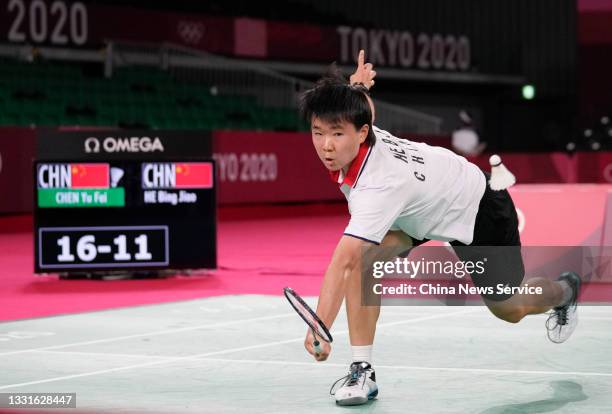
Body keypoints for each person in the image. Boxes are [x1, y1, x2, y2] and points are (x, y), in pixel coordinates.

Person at [297, 50, 581, 406]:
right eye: (318, 132)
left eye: (336, 134)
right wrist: (354, 86)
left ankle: (564, 291)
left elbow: (343, 262)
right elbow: (362, 108)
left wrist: (319, 327)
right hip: (421, 207)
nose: (326, 145)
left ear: (362, 133)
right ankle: (363, 370)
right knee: (367, 263)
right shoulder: (358, 128)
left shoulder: (377, 186)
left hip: (477, 206)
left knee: (509, 308)